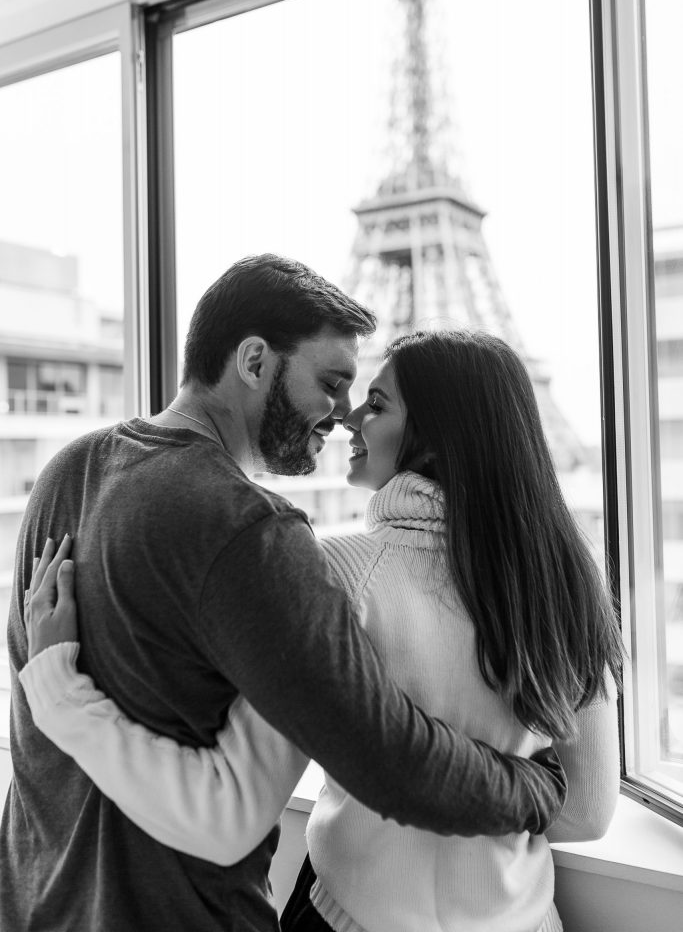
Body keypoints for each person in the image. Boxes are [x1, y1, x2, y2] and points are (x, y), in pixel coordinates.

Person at [1, 257, 566, 932]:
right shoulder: (248, 528)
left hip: (35, 900)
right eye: (331, 382)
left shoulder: (68, 468)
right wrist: (537, 785)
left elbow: (39, 733)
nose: (341, 414)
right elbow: (389, 760)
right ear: (252, 360)